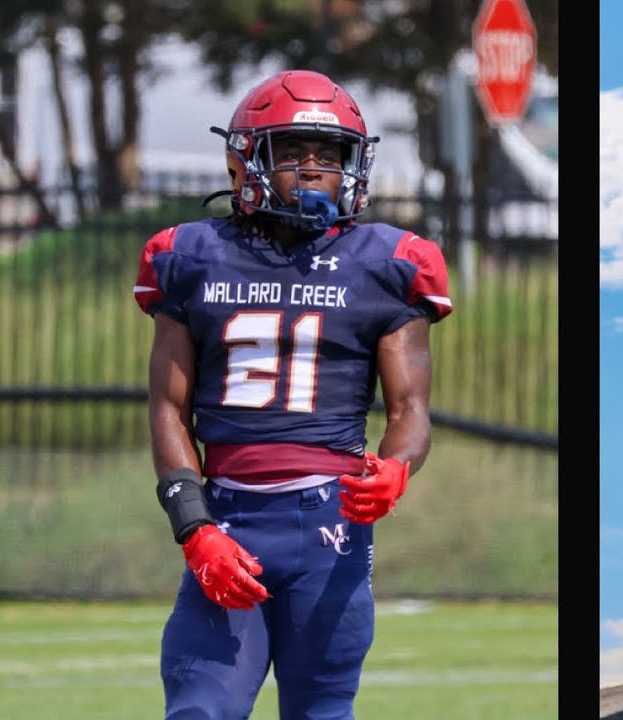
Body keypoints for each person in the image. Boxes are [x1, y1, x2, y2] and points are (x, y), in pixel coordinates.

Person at [133, 69, 453, 719]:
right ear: (245, 159)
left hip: (330, 532)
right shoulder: (191, 256)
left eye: (330, 154)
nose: (314, 169)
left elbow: (409, 410)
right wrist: (193, 527)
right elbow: (168, 407)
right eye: (294, 151)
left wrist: (395, 468)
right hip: (226, 520)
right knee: (199, 709)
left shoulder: (388, 264)